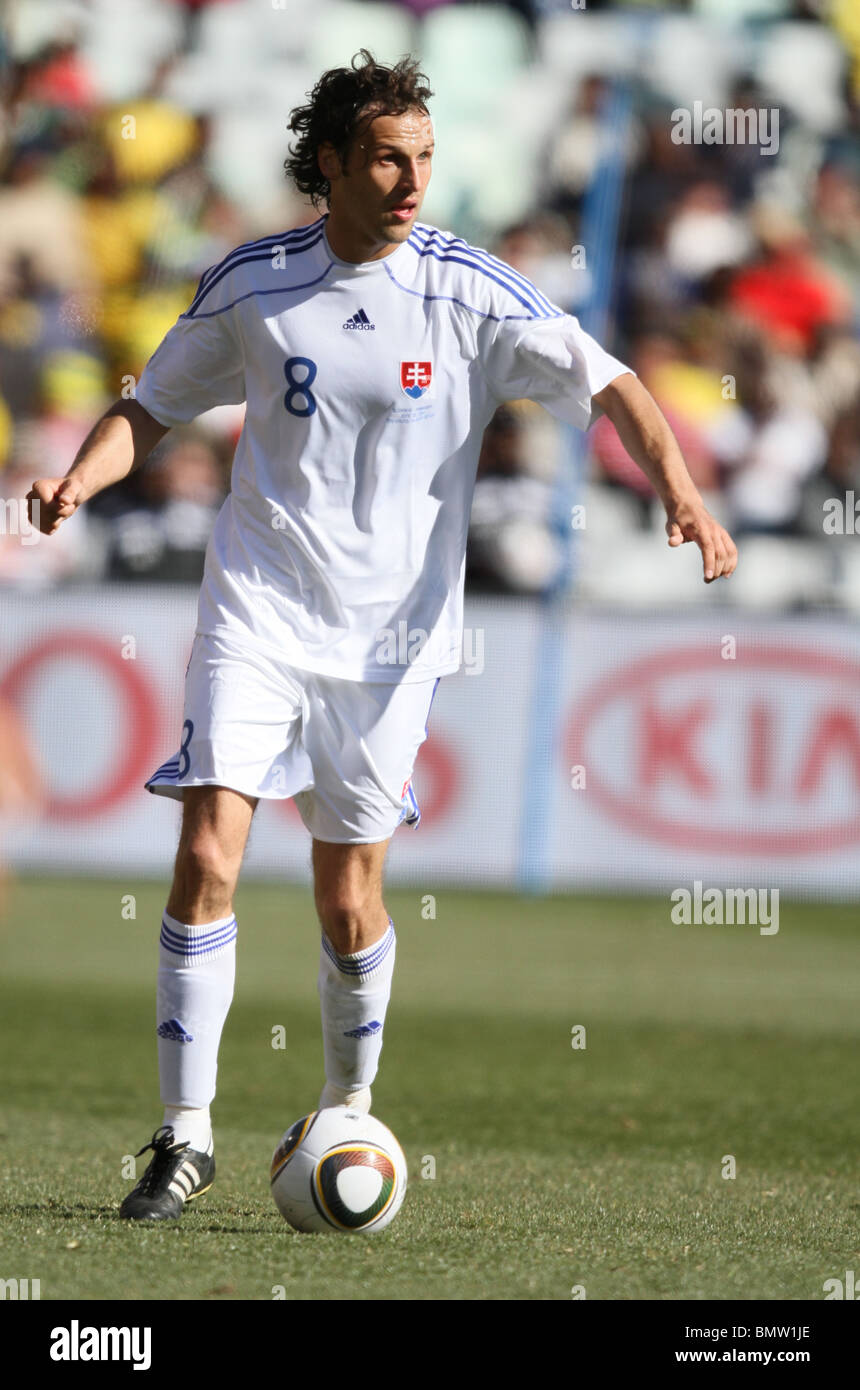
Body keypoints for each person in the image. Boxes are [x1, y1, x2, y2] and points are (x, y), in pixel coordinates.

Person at [27, 50, 737, 1222]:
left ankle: (347, 1104)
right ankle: (184, 1134)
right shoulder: (254, 284)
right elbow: (148, 405)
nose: (413, 182)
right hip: (256, 608)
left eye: (424, 159)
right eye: (388, 160)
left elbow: (610, 384)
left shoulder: (468, 292)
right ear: (331, 168)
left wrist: (679, 490)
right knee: (207, 853)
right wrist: (77, 481)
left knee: (344, 897)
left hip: (391, 645)